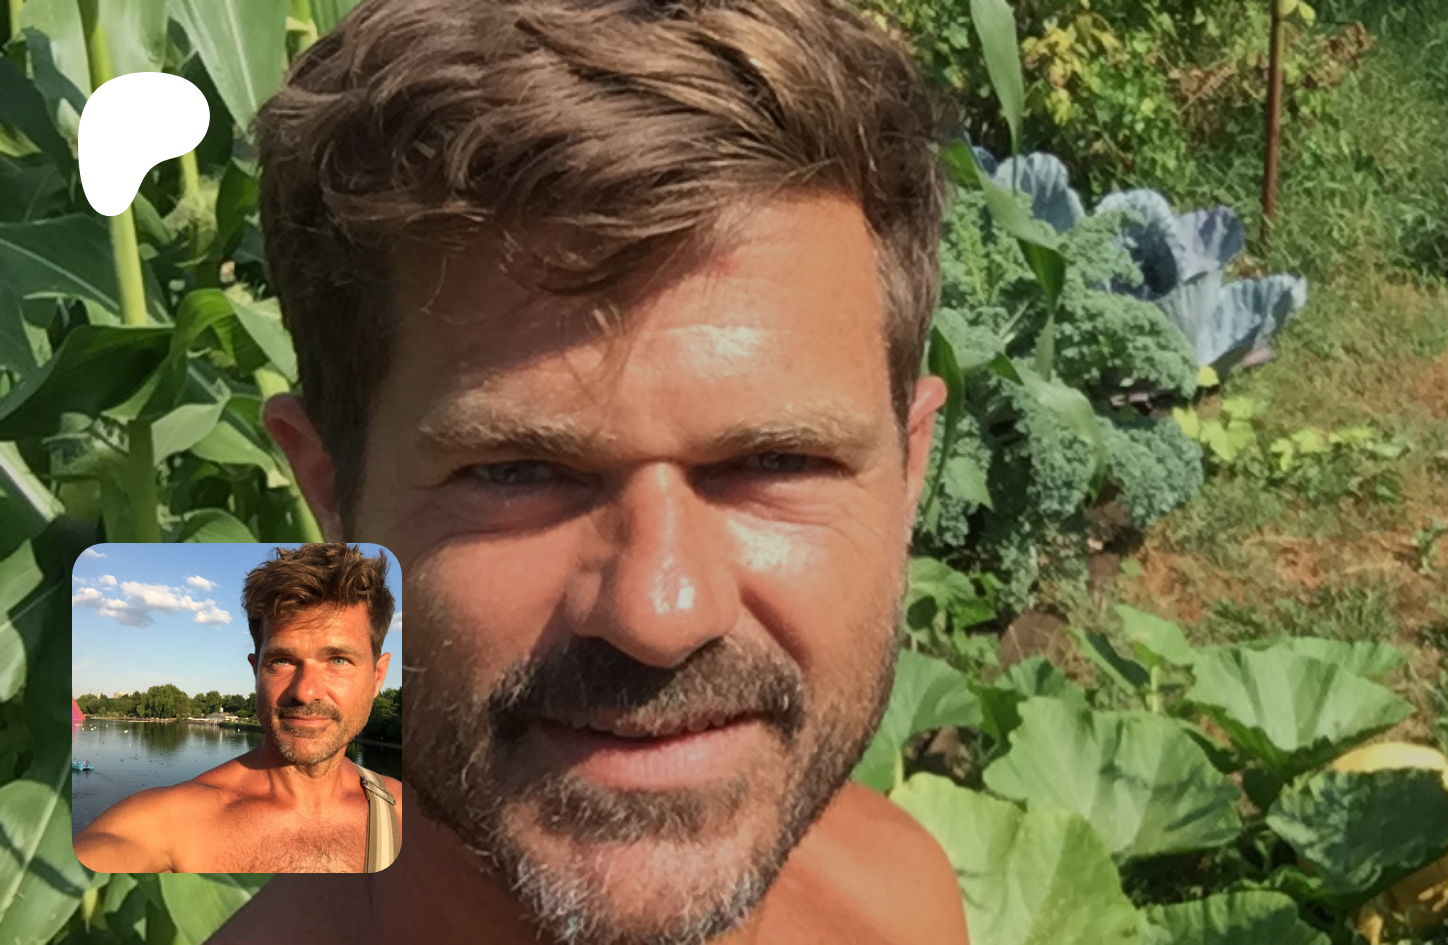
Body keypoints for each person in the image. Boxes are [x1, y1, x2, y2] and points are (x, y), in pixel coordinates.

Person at [208, 0, 968, 941]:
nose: (660, 614)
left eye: (778, 461)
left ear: (910, 469)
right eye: (517, 471)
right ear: (330, 489)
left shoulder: (902, 895)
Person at [73, 544, 403, 873]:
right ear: (256, 671)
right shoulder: (170, 824)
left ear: (377, 677)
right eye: (282, 660)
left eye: (338, 660)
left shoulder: (408, 815)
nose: (305, 692)